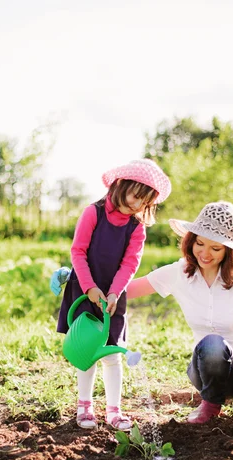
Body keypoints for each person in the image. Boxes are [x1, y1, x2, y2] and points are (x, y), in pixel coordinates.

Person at [125, 201, 233, 424]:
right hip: (210, 368)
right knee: (213, 343)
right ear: (191, 240)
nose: (205, 254)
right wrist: (79, 282)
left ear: (229, 251)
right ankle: (211, 404)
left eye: (216, 248)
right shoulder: (180, 272)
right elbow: (126, 290)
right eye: (200, 243)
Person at [51, 159, 171, 431]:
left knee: (112, 354)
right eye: (135, 196)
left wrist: (114, 292)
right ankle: (85, 407)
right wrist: (89, 287)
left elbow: (129, 264)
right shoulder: (93, 213)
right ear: (121, 186)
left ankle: (114, 411)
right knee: (87, 350)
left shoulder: (136, 227)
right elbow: (78, 252)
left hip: (114, 296)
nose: (137, 205)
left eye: (145, 202)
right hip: (84, 287)